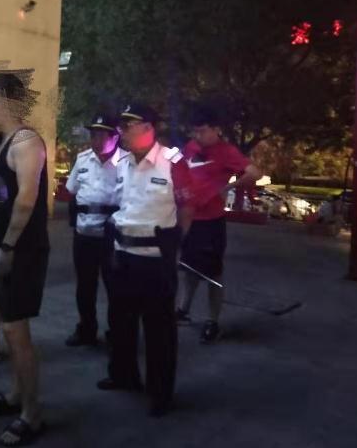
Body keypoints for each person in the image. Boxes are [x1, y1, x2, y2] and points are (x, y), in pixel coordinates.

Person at [97, 104, 194, 418]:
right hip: (122, 255)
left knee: (159, 330)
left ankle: (160, 392)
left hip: (155, 260)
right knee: (120, 322)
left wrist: (175, 245)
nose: (122, 131)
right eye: (121, 126)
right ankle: (123, 375)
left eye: (128, 125)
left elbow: (187, 207)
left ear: (149, 128)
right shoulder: (123, 162)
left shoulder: (172, 162)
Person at [0, 72, 49, 446]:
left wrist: (8, 248)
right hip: (5, 247)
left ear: (2, 100)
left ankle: (31, 414)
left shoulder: (27, 141)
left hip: (22, 251)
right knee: (9, 328)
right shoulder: (3, 143)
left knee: (17, 332)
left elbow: (26, 200)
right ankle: (17, 395)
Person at [176, 106, 260, 343]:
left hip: (211, 222)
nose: (198, 136)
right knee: (189, 269)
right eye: (195, 131)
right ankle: (183, 310)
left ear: (216, 130)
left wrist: (228, 187)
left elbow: (254, 172)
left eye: (202, 131)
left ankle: (212, 321)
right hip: (189, 219)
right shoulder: (191, 147)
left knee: (213, 274)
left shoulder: (227, 151)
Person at [64, 113, 125, 347]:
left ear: (115, 137)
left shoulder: (126, 162)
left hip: (112, 237)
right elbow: (72, 189)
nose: (96, 140)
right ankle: (86, 329)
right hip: (84, 234)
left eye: (101, 135)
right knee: (85, 286)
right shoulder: (83, 159)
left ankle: (117, 333)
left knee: (115, 287)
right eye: (93, 135)